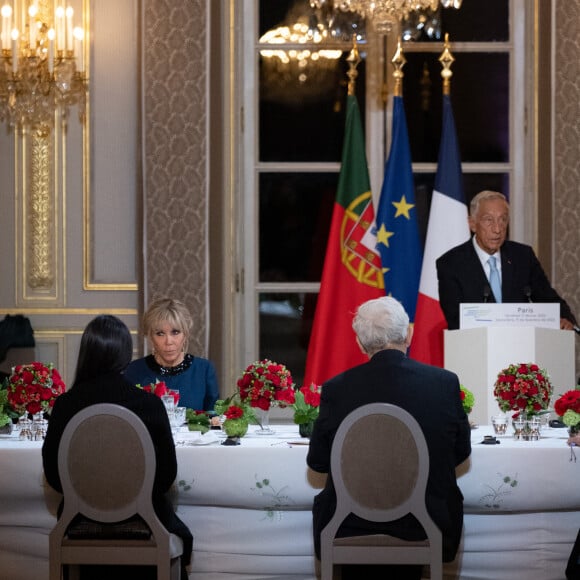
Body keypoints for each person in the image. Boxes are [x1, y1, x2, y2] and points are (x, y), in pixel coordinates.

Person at [307, 296, 471, 580]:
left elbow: (319, 463)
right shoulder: (444, 384)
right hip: (427, 523)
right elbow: (459, 453)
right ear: (408, 334)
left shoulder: (336, 389)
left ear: (360, 343)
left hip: (349, 524)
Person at [42, 315, 193, 580]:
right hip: (145, 517)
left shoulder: (66, 405)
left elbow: (54, 476)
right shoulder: (148, 405)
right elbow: (167, 475)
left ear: (86, 353)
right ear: (125, 354)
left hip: (78, 519)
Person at [436, 190, 577, 331]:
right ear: (472, 224)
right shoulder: (451, 263)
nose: (497, 229)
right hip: (475, 347)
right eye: (488, 220)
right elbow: (455, 319)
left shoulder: (522, 256)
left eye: (503, 220)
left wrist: (566, 319)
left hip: (521, 347)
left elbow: (548, 299)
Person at [124, 297, 219, 412]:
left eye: (175, 332)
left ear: (185, 334)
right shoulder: (134, 371)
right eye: (160, 333)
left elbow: (214, 422)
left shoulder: (204, 370)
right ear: (150, 337)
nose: (168, 341)